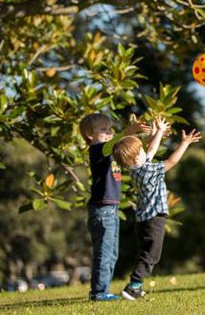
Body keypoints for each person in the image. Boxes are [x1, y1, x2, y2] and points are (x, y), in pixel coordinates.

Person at [112, 117, 201, 300]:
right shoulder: (147, 170)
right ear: (137, 157)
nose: (146, 150)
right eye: (141, 151)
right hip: (154, 219)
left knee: (147, 252)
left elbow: (151, 150)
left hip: (144, 219)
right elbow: (171, 162)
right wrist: (184, 143)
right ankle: (133, 286)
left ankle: (136, 286)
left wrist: (158, 132)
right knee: (152, 254)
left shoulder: (136, 168)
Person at [79, 113, 148, 302]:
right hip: (102, 210)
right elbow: (113, 144)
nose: (109, 133)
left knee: (112, 254)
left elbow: (126, 149)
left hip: (111, 209)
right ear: (89, 134)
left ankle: (103, 291)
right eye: (103, 130)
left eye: (110, 129)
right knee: (104, 253)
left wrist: (145, 135)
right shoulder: (97, 150)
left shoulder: (109, 150)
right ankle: (98, 293)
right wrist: (130, 130)